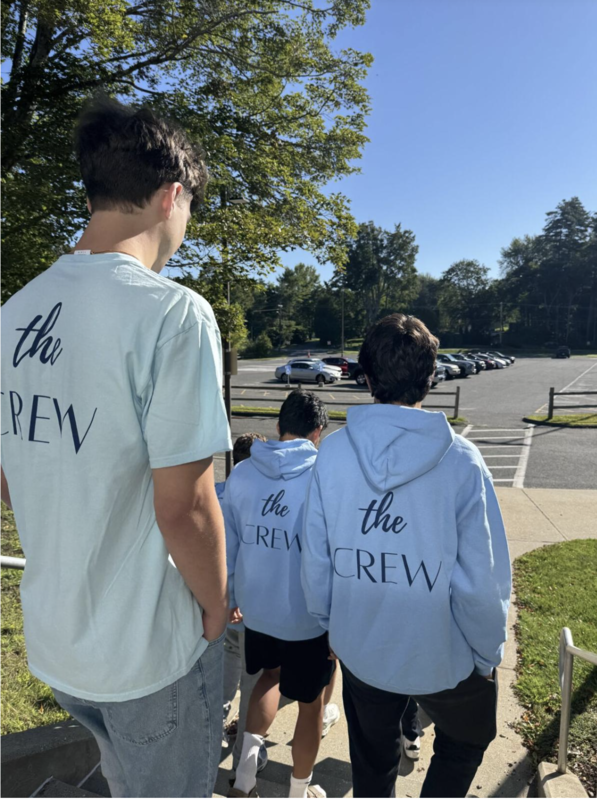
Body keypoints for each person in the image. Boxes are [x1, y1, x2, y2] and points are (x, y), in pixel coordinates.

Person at [0, 97, 232, 798]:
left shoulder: (14, 313)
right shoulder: (171, 312)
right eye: (190, 205)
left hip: (57, 639)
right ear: (171, 196)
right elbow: (185, 507)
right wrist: (217, 605)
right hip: (146, 653)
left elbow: (10, 477)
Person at [301, 314, 511, 798]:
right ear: (431, 377)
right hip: (445, 653)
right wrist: (486, 653)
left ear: (366, 377)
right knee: (466, 739)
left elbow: (317, 556)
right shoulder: (462, 461)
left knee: (372, 758)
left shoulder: (331, 454)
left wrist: (329, 623)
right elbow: (483, 579)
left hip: (361, 646)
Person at [224, 390, 331, 799]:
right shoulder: (324, 475)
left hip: (257, 607)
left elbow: (230, 544)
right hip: (309, 615)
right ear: (317, 432)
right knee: (310, 703)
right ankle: (298, 790)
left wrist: (232, 594)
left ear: (278, 427)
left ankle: (246, 778)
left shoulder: (244, 473)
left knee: (268, 678)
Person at [216, 433, 269, 776]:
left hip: (216, 609)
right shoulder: (262, 501)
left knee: (219, 688)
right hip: (250, 611)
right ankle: (244, 765)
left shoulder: (216, 492)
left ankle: (205, 749)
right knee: (253, 692)